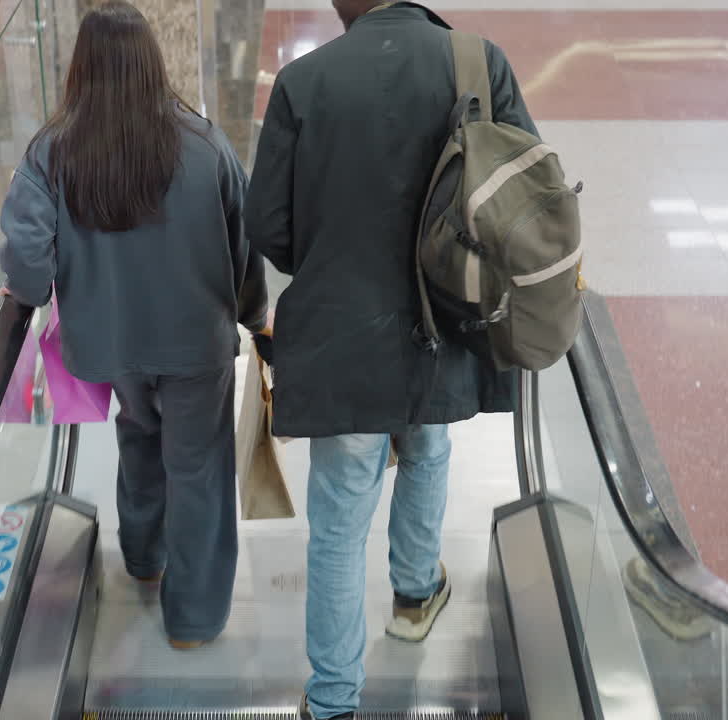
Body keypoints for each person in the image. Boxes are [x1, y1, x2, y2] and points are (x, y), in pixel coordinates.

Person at [244, 1, 538, 717]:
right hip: (445, 316)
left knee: (340, 518)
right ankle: (413, 595)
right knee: (429, 440)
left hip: (344, 331)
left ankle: (335, 699)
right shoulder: (477, 60)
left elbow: (270, 228)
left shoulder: (303, 82)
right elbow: (526, 197)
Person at [0, 1, 268, 649]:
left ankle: (144, 559)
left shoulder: (51, 153)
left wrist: (29, 290)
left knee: (139, 436)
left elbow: (29, 267)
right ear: (153, 63)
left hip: (110, 342)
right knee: (197, 468)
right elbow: (244, 247)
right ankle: (193, 619)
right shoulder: (206, 146)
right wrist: (257, 318)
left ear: (81, 69)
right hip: (195, 345)